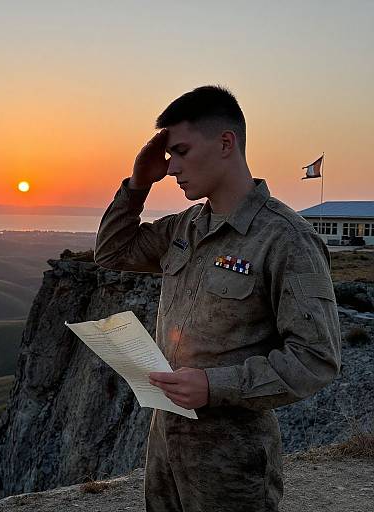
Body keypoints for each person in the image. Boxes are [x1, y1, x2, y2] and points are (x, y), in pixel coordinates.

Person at [93, 85, 341, 512]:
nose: (172, 169)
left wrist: (213, 385)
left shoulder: (286, 239)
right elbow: (112, 251)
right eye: (170, 156)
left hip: (232, 460)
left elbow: (316, 358)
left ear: (226, 143)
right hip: (166, 443)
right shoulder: (186, 227)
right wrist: (137, 184)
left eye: (183, 151)